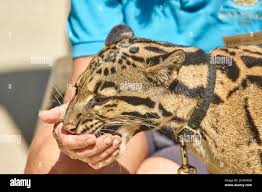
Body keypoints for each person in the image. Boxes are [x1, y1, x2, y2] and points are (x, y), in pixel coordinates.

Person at [25, 0, 262, 174]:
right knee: (50, 165)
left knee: (157, 171)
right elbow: (88, 78)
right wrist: (74, 133)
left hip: (212, 118)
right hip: (131, 112)